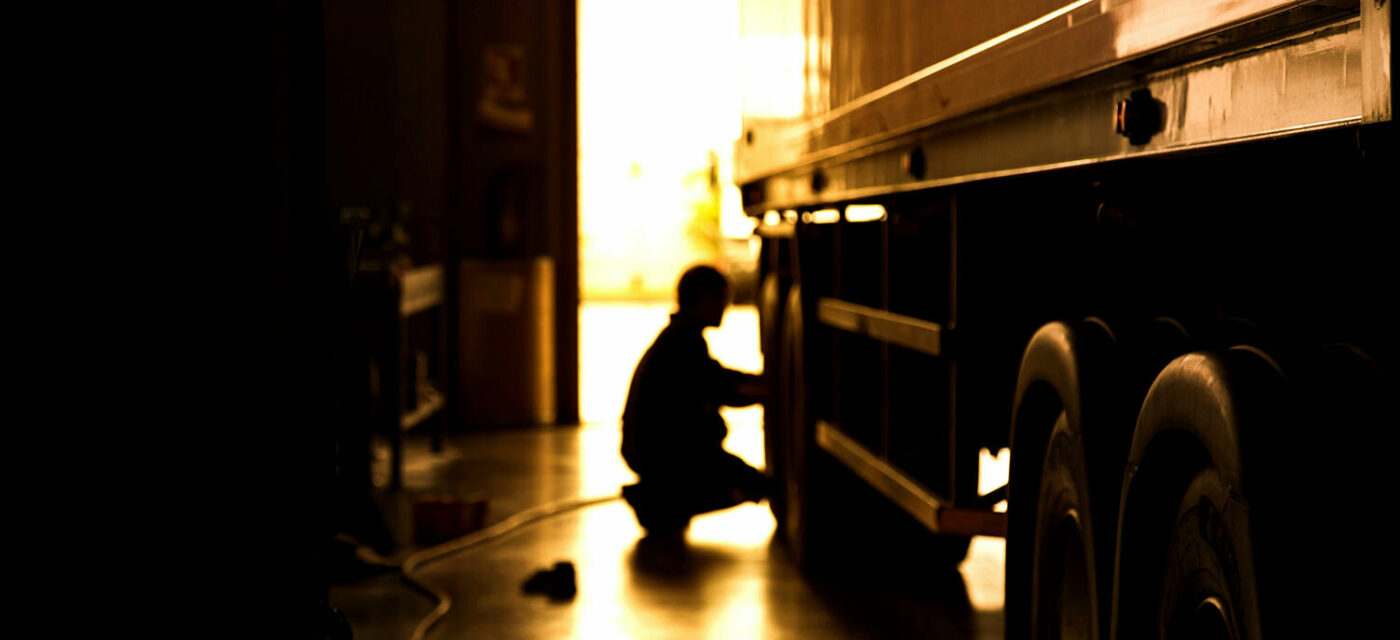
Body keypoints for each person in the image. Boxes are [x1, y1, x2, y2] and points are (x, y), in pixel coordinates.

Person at [620, 266, 769, 535]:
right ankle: (664, 502)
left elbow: (718, 377)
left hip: (658, 453)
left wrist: (759, 383)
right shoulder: (684, 342)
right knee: (754, 485)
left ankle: (663, 498)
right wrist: (768, 392)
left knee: (748, 480)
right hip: (669, 455)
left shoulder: (678, 337)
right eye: (721, 299)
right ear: (703, 299)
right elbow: (722, 388)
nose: (725, 307)